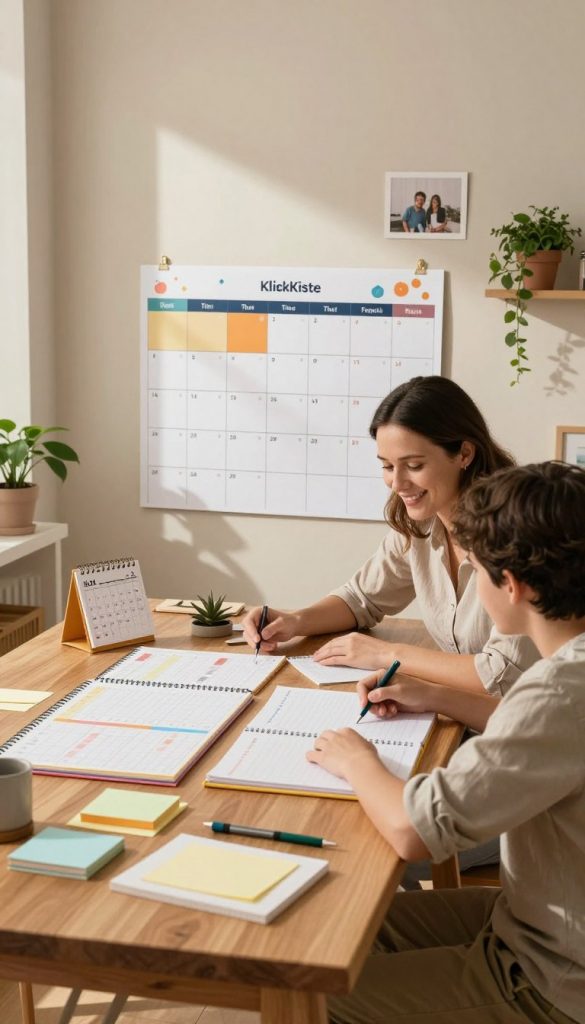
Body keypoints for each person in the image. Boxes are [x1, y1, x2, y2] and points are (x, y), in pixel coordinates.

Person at [308, 461, 585, 1024]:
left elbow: (414, 832)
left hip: (551, 974)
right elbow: (546, 735)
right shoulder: (568, 678)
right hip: (535, 918)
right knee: (346, 923)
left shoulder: (559, 691)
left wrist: (358, 761)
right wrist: (435, 696)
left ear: (510, 585)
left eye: (477, 571)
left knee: (306, 995)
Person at [243, 376, 537, 697]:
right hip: (459, 709)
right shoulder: (420, 527)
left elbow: (503, 672)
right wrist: (294, 620)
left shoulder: (520, 534)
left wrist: (387, 655)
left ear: (464, 453)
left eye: (413, 465)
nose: (397, 483)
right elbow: (362, 599)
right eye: (386, 466)